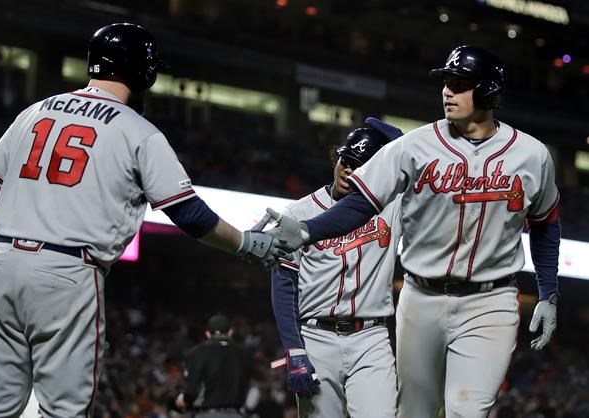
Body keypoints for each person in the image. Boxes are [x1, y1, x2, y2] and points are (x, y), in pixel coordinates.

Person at [0, 23, 283, 418]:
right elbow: (189, 214)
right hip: (67, 273)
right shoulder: (137, 131)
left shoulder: (34, 112)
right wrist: (245, 242)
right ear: (145, 74)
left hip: (2, 265)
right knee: (64, 413)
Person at [264, 45, 561, 417]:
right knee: (414, 412)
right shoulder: (414, 145)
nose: (447, 91)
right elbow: (360, 204)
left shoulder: (532, 155)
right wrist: (308, 230)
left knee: (467, 409)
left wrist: (548, 292)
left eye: (460, 83)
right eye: (446, 83)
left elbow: (546, 222)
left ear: (488, 92)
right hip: (421, 298)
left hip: (490, 300)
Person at [270, 120, 403, 418]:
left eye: (361, 166)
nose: (349, 170)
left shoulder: (393, 206)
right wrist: (294, 349)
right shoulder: (298, 212)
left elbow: (413, 162)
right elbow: (284, 285)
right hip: (317, 338)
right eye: (347, 160)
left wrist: (394, 143)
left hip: (372, 338)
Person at [174, 314, 252, 418]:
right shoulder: (244, 354)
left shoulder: (196, 353)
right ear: (230, 332)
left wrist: (183, 399)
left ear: (207, 334)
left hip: (208, 414)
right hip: (236, 414)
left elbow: (191, 391)